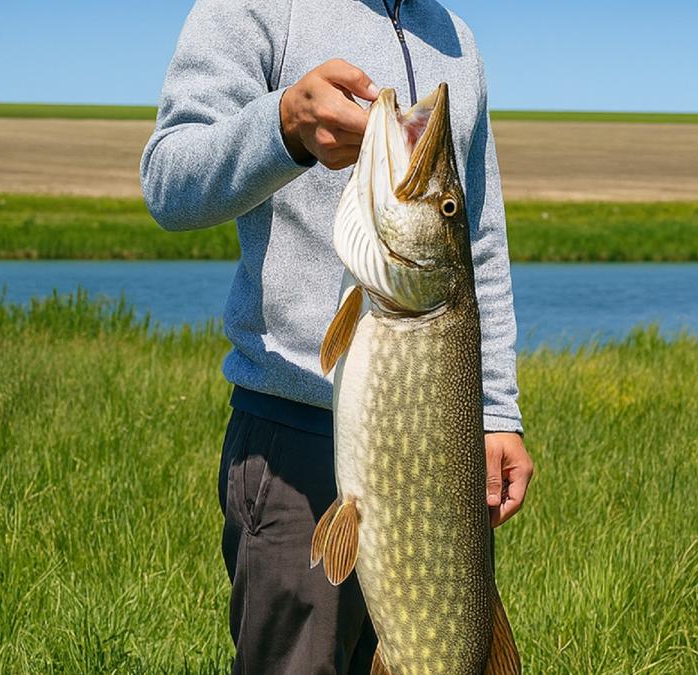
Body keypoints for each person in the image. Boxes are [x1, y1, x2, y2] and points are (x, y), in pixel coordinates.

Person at [139, 1, 533, 672]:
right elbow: (170, 182)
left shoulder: (456, 41)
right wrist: (284, 127)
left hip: (440, 457)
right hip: (291, 445)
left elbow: (477, 244)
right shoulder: (256, 7)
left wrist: (496, 409)